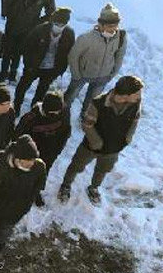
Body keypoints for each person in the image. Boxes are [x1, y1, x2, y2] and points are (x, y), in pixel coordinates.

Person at [59, 76, 143, 204]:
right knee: (76, 166)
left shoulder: (136, 104)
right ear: (126, 95)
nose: (140, 96)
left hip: (114, 148)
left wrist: (127, 139)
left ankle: (94, 187)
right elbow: (87, 124)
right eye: (137, 93)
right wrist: (96, 143)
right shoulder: (98, 103)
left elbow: (135, 121)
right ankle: (66, 185)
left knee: (103, 170)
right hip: (91, 146)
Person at [0, 135, 46, 269]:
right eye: (27, 161)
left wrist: (28, 202)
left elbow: (39, 184)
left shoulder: (38, 167)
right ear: (17, 159)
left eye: (32, 160)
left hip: (15, 211)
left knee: (4, 233)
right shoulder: (1, 167)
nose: (31, 163)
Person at [64, 3, 127, 113]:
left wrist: (112, 73)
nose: (113, 29)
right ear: (100, 25)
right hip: (82, 75)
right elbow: (73, 56)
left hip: (103, 76)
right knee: (69, 98)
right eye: (109, 26)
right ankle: (62, 115)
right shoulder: (86, 38)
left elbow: (119, 56)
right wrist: (76, 74)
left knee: (91, 103)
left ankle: (84, 117)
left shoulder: (121, 37)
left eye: (115, 26)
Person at [0, 0, 58, 82]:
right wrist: (8, 14)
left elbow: (51, 13)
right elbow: (6, 2)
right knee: (7, 50)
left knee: (18, 51)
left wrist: (38, 23)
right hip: (12, 23)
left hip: (29, 27)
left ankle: (13, 73)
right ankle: (3, 73)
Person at [13, 7, 75, 115]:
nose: (58, 27)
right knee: (22, 86)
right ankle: (16, 106)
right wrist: (29, 64)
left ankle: (35, 110)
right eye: (56, 24)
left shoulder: (69, 34)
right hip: (34, 66)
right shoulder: (40, 30)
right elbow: (27, 47)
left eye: (62, 25)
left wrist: (59, 70)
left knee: (42, 91)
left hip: (51, 69)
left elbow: (68, 53)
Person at [15, 91, 71, 206]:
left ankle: (36, 191)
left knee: (42, 173)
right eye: (54, 113)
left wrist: (57, 151)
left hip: (50, 153)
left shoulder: (64, 111)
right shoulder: (31, 118)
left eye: (59, 111)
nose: (57, 114)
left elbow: (66, 132)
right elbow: (18, 136)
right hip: (32, 153)